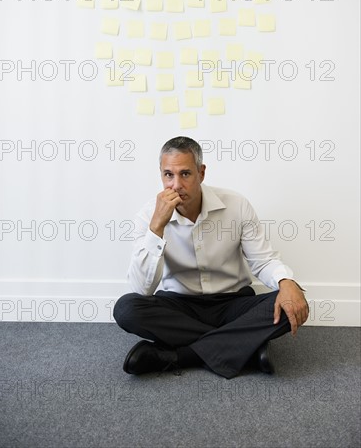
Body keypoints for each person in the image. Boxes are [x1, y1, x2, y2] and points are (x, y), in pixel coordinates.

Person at [114, 136, 309, 379]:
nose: (175, 185)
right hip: (180, 307)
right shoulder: (148, 216)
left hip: (232, 303)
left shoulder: (236, 205)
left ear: (201, 173)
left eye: (185, 174)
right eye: (168, 175)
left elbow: (263, 260)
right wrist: (156, 229)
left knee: (289, 303)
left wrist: (286, 283)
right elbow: (142, 289)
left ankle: (179, 356)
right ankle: (245, 344)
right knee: (126, 309)